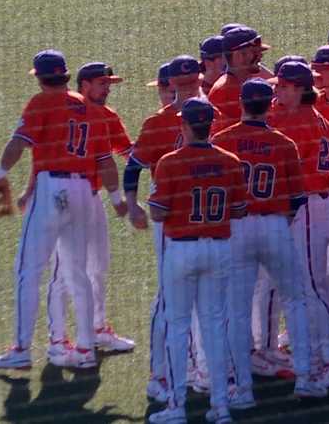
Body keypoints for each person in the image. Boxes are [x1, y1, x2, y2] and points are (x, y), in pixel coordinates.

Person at [0, 50, 123, 370]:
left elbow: (18, 143)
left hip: (52, 191)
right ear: (64, 75)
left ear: (39, 76)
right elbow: (105, 161)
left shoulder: (41, 103)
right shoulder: (90, 108)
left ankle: (21, 348)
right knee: (77, 273)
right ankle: (86, 349)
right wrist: (117, 198)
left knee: (29, 271)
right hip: (83, 193)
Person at [212, 78, 329, 408]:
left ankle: (244, 390)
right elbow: (296, 199)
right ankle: (305, 379)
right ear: (268, 104)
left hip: (237, 229)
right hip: (276, 225)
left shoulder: (222, 141)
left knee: (237, 310)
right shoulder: (283, 143)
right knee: (295, 299)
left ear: (242, 103)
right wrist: (278, 224)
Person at [125, 55, 224, 402]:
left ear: (168, 84)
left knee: (173, 298)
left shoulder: (160, 121)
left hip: (169, 215)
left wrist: (132, 204)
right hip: (208, 219)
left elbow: (132, 168)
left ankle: (168, 375)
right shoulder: (215, 115)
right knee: (205, 300)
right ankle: (196, 372)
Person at [146, 97, 249, 424]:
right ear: (211, 125)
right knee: (215, 326)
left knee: (177, 327)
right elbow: (238, 210)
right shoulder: (230, 161)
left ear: (185, 125)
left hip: (182, 249)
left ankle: (176, 407)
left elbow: (158, 212)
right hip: (218, 248)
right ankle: (220, 408)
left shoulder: (169, 162)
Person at [267, 61, 329, 388]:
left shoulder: (300, 124)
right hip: (313, 205)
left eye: (284, 87)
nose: (277, 91)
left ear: (301, 89)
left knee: (310, 288)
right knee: (303, 287)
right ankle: (319, 355)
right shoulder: (307, 117)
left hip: (308, 208)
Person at [46, 62, 135, 355]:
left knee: (98, 265)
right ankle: (57, 340)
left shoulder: (108, 115)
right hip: (63, 195)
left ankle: (98, 329)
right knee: (63, 270)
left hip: (92, 197)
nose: (107, 88)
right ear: (84, 85)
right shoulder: (63, 110)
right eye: (102, 83)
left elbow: (126, 151)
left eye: (109, 83)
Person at [208, 26, 272, 127]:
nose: (260, 56)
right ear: (238, 56)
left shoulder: (238, 84)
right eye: (255, 52)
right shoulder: (227, 91)